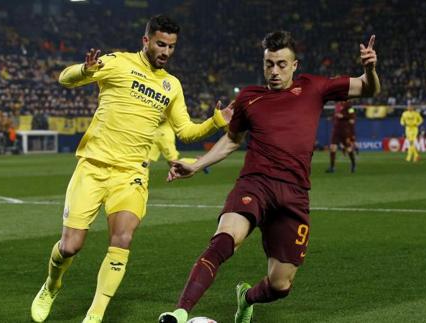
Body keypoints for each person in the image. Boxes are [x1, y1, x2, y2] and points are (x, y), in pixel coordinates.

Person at [158, 30, 380, 323]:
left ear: (295, 65)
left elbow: (368, 88)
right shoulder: (249, 97)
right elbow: (233, 140)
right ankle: (180, 312)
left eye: (281, 64)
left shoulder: (315, 87)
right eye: (269, 64)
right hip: (256, 182)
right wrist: (197, 165)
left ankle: (246, 298)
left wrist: (369, 68)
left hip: (294, 194)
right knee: (224, 240)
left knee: (280, 285)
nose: (274, 71)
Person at [30, 15, 231, 323]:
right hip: (93, 167)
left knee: (122, 239)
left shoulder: (171, 86)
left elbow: (185, 131)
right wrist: (85, 70)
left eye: (171, 46)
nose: (165, 51)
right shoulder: (118, 63)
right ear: (146, 41)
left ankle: (94, 316)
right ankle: (51, 284)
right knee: (70, 247)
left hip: (131, 174)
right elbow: (65, 79)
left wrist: (216, 122)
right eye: (161, 44)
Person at [326, 100, 357, 173]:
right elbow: (336, 115)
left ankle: (353, 165)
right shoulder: (337, 104)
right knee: (333, 148)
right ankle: (332, 167)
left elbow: (352, 115)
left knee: (348, 148)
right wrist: (332, 118)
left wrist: (343, 116)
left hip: (344, 131)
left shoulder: (349, 105)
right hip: (336, 131)